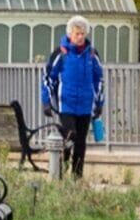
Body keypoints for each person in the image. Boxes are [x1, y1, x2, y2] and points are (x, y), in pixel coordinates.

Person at [39, 17, 105, 179]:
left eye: (83, 33)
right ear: (70, 34)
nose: (80, 37)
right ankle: (60, 171)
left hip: (85, 104)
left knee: (81, 142)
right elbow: (48, 77)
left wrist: (99, 103)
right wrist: (46, 101)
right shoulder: (60, 53)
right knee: (69, 136)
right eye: (77, 34)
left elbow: (99, 79)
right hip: (66, 104)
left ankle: (77, 177)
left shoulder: (91, 54)